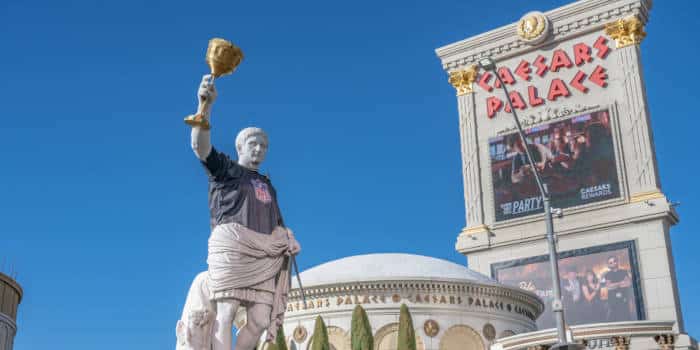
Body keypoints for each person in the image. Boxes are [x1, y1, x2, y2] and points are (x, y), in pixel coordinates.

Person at [189, 74, 301, 350]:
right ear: (240, 147)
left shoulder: (267, 184)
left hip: (262, 253)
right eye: (254, 144)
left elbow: (275, 222)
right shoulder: (226, 170)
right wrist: (205, 106)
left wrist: (287, 237)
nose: (259, 150)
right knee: (226, 312)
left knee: (261, 319)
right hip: (233, 245)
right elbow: (200, 147)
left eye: (263, 146)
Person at [601, 256, 633, 322]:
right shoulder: (608, 274)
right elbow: (609, 287)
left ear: (617, 262)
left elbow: (628, 283)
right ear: (609, 264)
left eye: (614, 261)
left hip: (624, 299)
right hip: (613, 300)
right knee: (616, 319)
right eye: (611, 262)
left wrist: (614, 285)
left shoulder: (624, 271)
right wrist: (621, 283)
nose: (613, 263)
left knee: (626, 318)